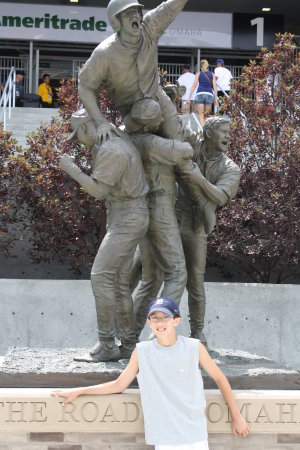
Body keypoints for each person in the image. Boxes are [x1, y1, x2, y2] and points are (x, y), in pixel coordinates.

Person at [52, 296, 250, 449]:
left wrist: (236, 415)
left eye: (165, 317)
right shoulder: (142, 351)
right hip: (164, 436)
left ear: (176, 320)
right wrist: (79, 391)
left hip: (194, 433)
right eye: (154, 317)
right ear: (149, 322)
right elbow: (119, 385)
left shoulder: (194, 347)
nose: (159, 322)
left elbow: (219, 378)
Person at [59, 109, 149, 362]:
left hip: (128, 217)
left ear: (89, 127)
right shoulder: (109, 142)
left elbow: (98, 190)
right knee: (119, 284)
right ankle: (129, 344)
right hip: (125, 214)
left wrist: (72, 170)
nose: (78, 142)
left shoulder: (111, 149)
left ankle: (107, 344)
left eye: (78, 135)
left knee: (100, 277)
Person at [123, 99, 194, 339]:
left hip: (143, 208)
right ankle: (160, 334)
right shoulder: (151, 142)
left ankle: (129, 336)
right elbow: (186, 149)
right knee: (177, 272)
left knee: (150, 278)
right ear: (150, 123)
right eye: (158, 117)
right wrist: (177, 131)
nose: (162, 120)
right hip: (159, 208)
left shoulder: (130, 137)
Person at [78, 0, 189, 144]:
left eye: (136, 11)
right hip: (134, 114)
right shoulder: (104, 54)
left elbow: (168, 9)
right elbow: (86, 86)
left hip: (159, 98)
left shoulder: (150, 28)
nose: (135, 16)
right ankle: (129, 133)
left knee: (179, 141)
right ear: (116, 22)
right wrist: (100, 122)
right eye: (127, 14)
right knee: (150, 113)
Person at [175, 116, 241, 345]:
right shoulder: (193, 145)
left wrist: (197, 178)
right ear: (208, 133)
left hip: (197, 226)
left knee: (195, 280)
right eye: (223, 131)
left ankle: (198, 332)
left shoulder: (230, 168)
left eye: (229, 132)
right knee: (162, 275)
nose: (228, 136)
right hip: (171, 218)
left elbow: (219, 196)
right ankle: (158, 329)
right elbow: (176, 126)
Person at [188, 60, 218, 127]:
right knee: (206, 115)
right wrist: (215, 98)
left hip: (200, 94)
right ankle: (206, 131)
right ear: (207, 66)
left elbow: (194, 86)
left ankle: (202, 131)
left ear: (201, 66)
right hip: (209, 94)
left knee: (201, 115)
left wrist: (189, 97)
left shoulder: (198, 73)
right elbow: (215, 87)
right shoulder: (212, 74)